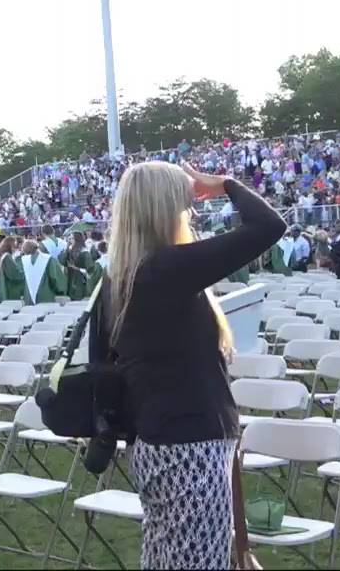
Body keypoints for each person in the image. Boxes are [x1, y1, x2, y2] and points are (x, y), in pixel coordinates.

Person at [104, 161, 284, 569]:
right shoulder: (165, 270)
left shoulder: (126, 276)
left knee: (166, 559)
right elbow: (267, 227)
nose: (190, 212)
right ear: (166, 209)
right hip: (188, 445)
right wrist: (226, 186)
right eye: (185, 204)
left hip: (156, 438)